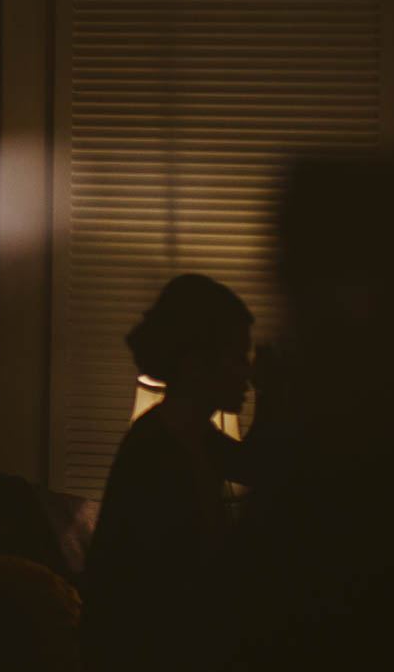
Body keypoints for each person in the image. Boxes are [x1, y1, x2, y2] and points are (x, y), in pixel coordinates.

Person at [80, 273, 253, 672]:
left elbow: (261, 466)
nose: (248, 373)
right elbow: (163, 604)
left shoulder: (197, 436)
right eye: (238, 357)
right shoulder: (154, 455)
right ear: (195, 365)